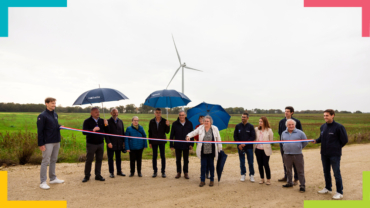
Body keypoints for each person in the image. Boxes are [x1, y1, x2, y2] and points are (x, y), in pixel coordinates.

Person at [313, 109, 348, 200]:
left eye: (327, 115)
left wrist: (336, 148)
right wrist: (316, 141)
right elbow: (321, 138)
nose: (325, 117)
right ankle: (328, 188)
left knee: (336, 173)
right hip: (324, 154)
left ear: (333, 115)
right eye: (324, 115)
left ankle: (339, 192)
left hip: (334, 154)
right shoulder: (323, 127)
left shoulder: (339, 127)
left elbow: (345, 140)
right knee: (326, 172)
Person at [186, 115, 223, 187]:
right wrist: (188, 136)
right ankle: (202, 180)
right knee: (203, 166)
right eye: (205, 121)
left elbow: (219, 139)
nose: (206, 122)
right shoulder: (200, 128)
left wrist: (220, 149)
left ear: (211, 122)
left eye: (207, 121)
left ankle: (212, 180)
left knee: (211, 166)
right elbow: (194, 132)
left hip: (211, 151)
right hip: (203, 151)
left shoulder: (215, 129)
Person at [37, 97, 64, 190]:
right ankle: (43, 182)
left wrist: (60, 126)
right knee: (45, 161)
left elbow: (55, 126)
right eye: (52, 103)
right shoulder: (42, 116)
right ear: (46, 104)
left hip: (56, 140)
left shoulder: (55, 114)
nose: (54, 105)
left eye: (55, 103)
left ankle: (52, 178)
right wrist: (41, 144)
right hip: (47, 142)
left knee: (53, 160)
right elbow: (40, 131)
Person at [82, 107, 109, 183]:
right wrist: (92, 130)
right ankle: (87, 176)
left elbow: (107, 131)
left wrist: (106, 125)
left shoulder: (102, 121)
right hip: (91, 144)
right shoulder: (87, 121)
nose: (98, 113)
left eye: (98, 112)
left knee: (99, 160)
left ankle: (98, 175)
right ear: (91, 113)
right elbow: (84, 132)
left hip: (100, 143)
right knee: (89, 160)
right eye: (96, 112)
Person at [281, 119, 308, 193]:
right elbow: (282, 142)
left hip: (297, 155)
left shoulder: (300, 133)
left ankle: (302, 185)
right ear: (287, 125)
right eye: (289, 125)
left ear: (295, 125)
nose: (291, 126)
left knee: (300, 171)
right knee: (288, 170)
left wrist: (299, 148)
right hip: (286, 154)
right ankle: (289, 183)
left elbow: (305, 142)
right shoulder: (283, 133)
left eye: (292, 124)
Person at [278, 106, 303, 184]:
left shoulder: (297, 122)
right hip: (284, 146)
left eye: (288, 111)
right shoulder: (281, 122)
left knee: (295, 162)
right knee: (285, 162)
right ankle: (287, 177)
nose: (286, 112)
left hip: (294, 147)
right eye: (285, 111)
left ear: (292, 112)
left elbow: (300, 133)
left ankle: (296, 178)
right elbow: (280, 132)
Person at [170, 110, 194, 179]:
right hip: (177, 145)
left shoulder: (189, 123)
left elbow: (192, 134)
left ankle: (186, 173)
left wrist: (191, 144)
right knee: (178, 159)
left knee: (186, 159)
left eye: (182, 115)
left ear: (185, 115)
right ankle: (179, 172)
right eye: (180, 115)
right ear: (178, 116)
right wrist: (171, 145)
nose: (181, 116)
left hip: (186, 145)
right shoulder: (174, 124)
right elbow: (172, 135)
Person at [234, 112, 256, 183]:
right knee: (242, 162)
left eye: (244, 117)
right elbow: (235, 136)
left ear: (247, 118)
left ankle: (251, 175)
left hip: (249, 147)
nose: (243, 118)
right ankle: (243, 174)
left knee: (250, 162)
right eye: (242, 117)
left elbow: (253, 137)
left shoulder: (251, 126)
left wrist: (245, 143)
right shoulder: (238, 126)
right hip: (240, 147)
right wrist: (239, 144)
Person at [148, 108, 170, 178]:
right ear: (154, 113)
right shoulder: (151, 121)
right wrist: (150, 142)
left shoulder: (164, 121)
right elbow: (150, 132)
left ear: (161, 113)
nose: (158, 114)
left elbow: (167, 132)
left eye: (159, 112)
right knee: (154, 156)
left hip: (162, 141)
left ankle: (163, 171)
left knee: (162, 156)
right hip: (154, 141)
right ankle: (155, 171)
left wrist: (168, 125)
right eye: (157, 112)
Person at [105, 108, 126, 178]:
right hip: (111, 143)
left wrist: (123, 142)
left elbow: (123, 132)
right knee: (110, 158)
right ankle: (111, 172)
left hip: (119, 143)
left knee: (118, 158)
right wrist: (108, 142)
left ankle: (119, 171)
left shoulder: (120, 121)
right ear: (111, 113)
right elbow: (106, 133)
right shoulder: (107, 121)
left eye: (117, 112)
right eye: (114, 112)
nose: (115, 114)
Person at [254, 116, 273, 185]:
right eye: (259, 121)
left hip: (266, 150)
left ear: (265, 122)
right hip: (258, 150)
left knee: (266, 164)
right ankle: (262, 178)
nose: (260, 123)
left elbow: (271, 140)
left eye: (261, 121)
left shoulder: (269, 130)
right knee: (260, 165)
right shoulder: (256, 129)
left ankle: (268, 179)